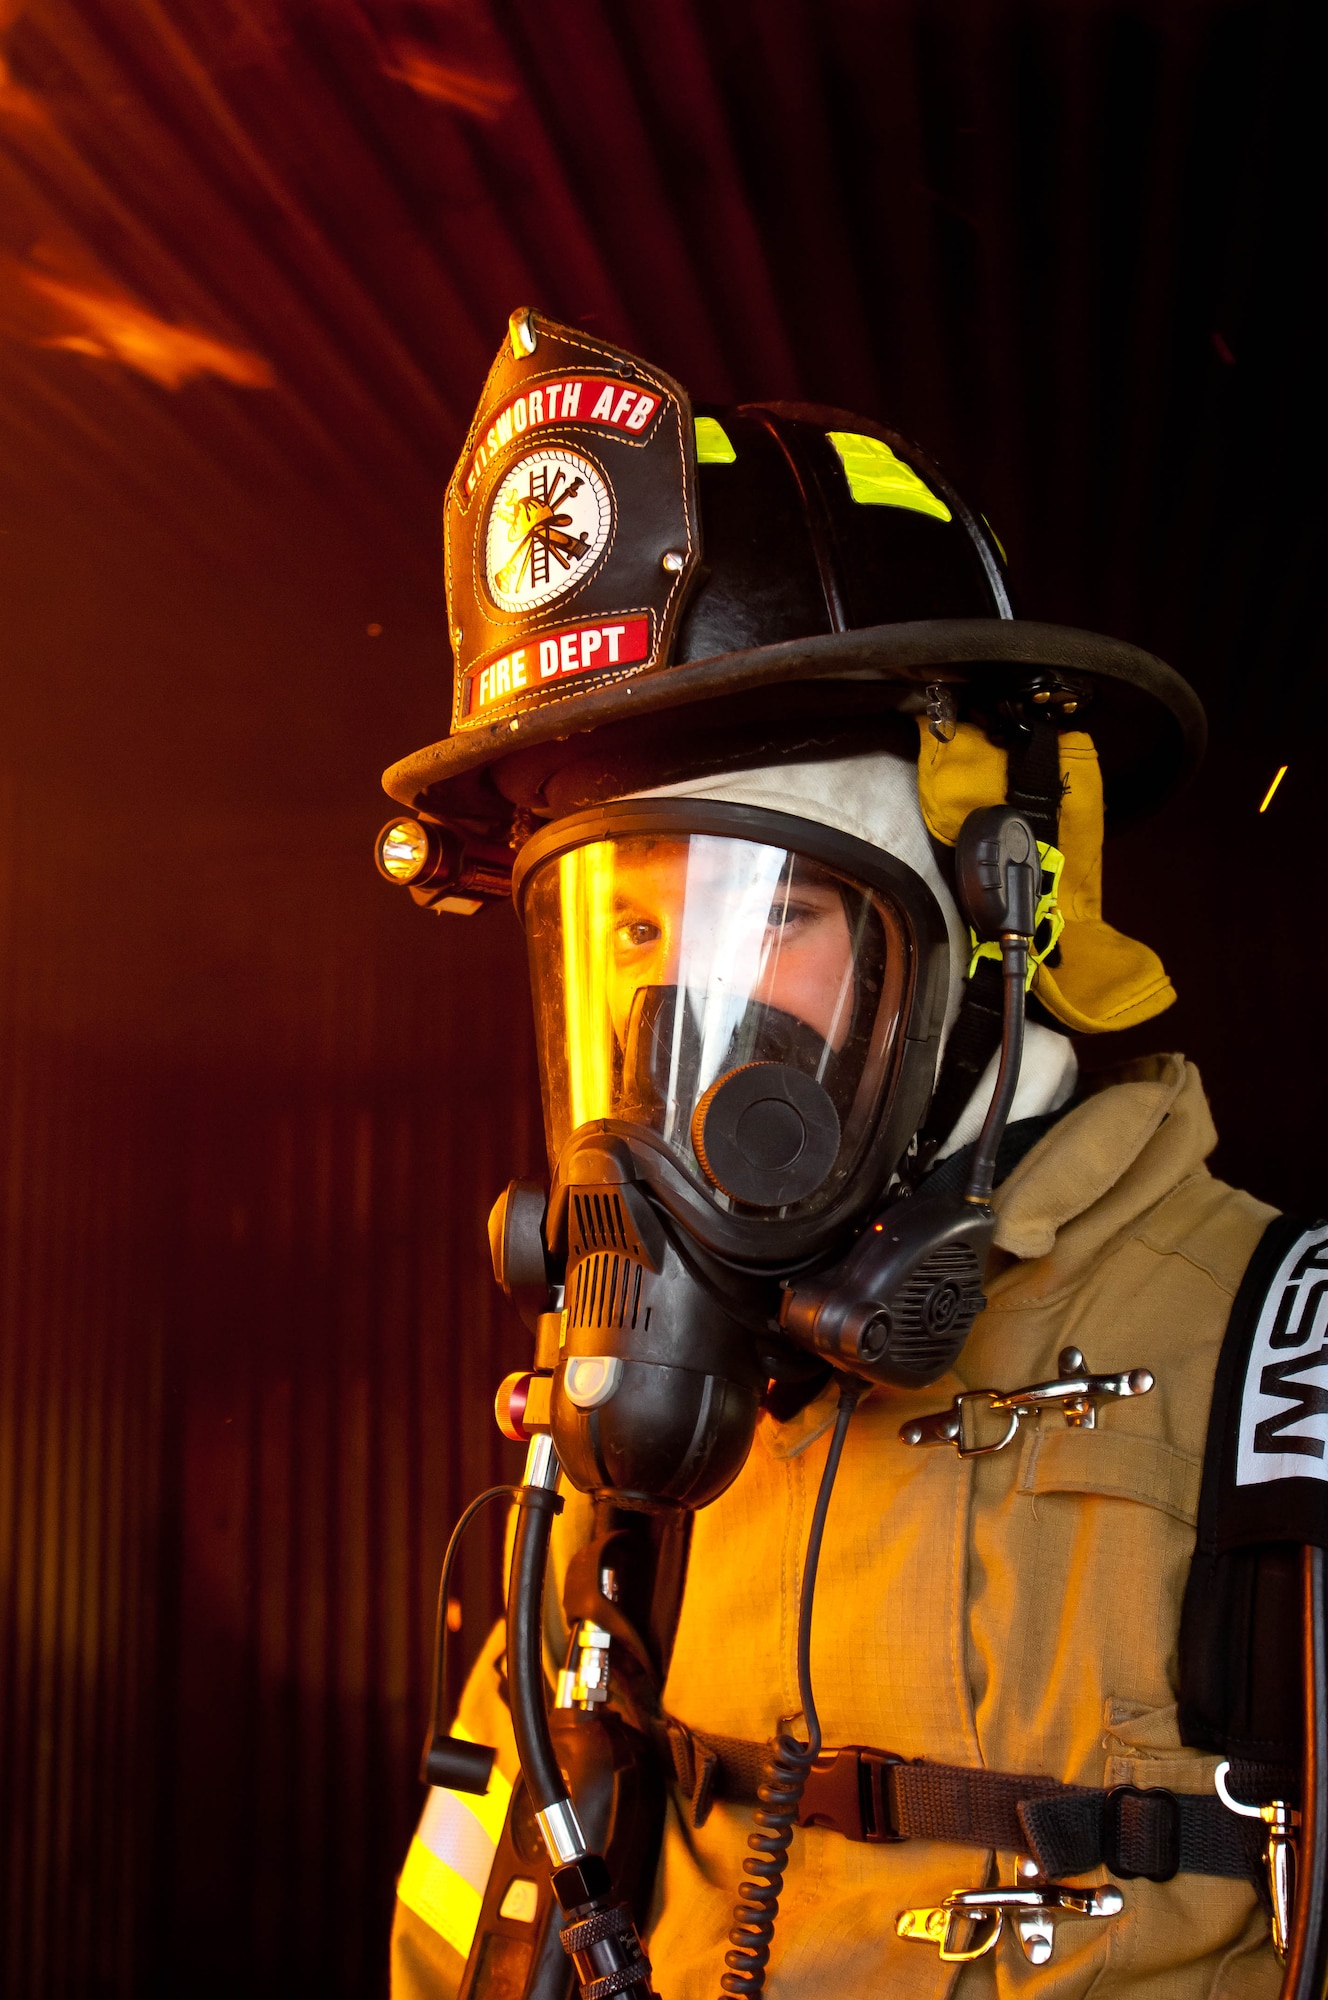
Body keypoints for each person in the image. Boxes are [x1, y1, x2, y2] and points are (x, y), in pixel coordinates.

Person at [379, 310, 1283, 2000]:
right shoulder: (620, 1447)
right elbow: (468, 1931)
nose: (671, 1023)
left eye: (776, 910)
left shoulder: (1278, 1371)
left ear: (995, 914)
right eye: (624, 930)